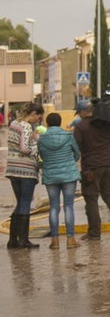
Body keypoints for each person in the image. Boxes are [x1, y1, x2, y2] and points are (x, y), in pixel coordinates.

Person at [75, 104, 110, 238]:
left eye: (79, 113)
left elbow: (77, 146)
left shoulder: (81, 126)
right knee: (109, 195)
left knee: (91, 199)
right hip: (109, 164)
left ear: (83, 112)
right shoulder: (106, 123)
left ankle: (94, 232)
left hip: (91, 167)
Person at [37, 113, 80, 249]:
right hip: (69, 175)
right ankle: (70, 239)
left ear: (47, 124)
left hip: (50, 176)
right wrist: (69, 161)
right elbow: (77, 154)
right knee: (68, 206)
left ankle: (54, 241)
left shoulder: (41, 138)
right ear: (60, 122)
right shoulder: (68, 136)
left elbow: (42, 156)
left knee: (54, 207)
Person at [6, 102, 43, 249]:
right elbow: (25, 149)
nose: (38, 121)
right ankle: (23, 240)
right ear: (33, 113)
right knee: (26, 202)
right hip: (26, 170)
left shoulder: (14, 124)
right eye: (38, 117)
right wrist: (36, 146)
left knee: (20, 202)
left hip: (12, 168)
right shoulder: (27, 126)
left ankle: (12, 240)